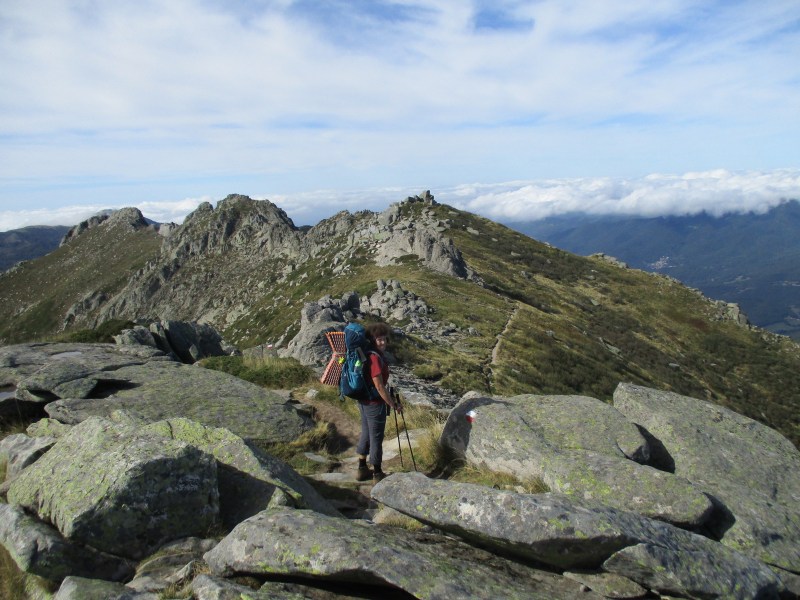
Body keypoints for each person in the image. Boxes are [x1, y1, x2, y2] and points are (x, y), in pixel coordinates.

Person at [355, 321, 402, 482]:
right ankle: (377, 473)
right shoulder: (374, 358)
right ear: (372, 340)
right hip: (374, 403)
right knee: (376, 437)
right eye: (379, 339)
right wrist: (392, 404)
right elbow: (380, 386)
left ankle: (362, 469)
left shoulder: (368, 354)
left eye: (384, 339)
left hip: (363, 400)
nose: (382, 342)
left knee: (367, 433)